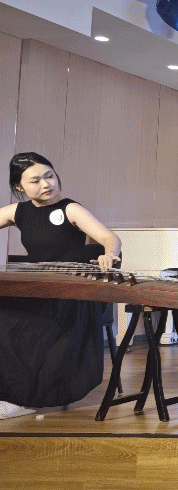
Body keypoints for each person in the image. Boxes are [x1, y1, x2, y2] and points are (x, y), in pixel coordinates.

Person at [0, 152, 122, 419]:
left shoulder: (70, 209)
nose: (46, 184)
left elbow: (110, 238)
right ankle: (10, 392)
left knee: (18, 324)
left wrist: (109, 254)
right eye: (35, 181)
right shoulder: (18, 212)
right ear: (19, 186)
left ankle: (23, 398)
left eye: (50, 176)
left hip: (70, 292)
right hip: (38, 289)